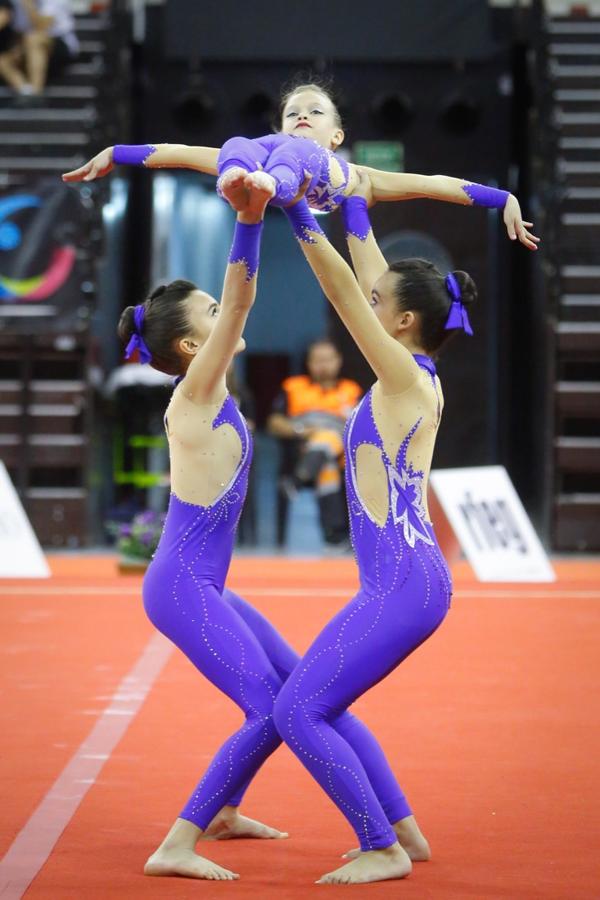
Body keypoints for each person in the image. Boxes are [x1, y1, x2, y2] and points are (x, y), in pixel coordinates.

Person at [245, 177, 473, 884]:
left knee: (297, 710)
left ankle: (383, 846)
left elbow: (349, 295)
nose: (370, 309)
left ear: (402, 323)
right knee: (320, 702)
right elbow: (371, 280)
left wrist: (294, 210)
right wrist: (351, 201)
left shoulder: (403, 377)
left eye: (382, 308)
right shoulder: (411, 367)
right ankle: (405, 831)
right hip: (402, 580)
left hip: (402, 585)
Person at [121, 179, 297, 882]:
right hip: (181, 587)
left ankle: (226, 811)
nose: (228, 315)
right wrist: (250, 221)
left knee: (293, 688)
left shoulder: (210, 389)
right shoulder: (195, 391)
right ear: (193, 345)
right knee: (271, 709)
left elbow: (237, 306)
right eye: (214, 314)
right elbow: (243, 298)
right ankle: (177, 841)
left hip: (205, 583)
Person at [61, 81, 539, 252]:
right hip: (265, 174)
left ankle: (267, 183)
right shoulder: (269, 147)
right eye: (293, 114)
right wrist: (116, 152)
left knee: (290, 155)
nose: (302, 117)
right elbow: (178, 150)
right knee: (233, 145)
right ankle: (242, 182)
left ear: (337, 136)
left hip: (310, 181)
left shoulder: (364, 178)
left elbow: (434, 183)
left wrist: (502, 197)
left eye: (314, 112)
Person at [267, 338, 361, 548]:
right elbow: (274, 423)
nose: (323, 365)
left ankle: (298, 481)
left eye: (328, 359)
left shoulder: (351, 390)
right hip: (301, 449)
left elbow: (360, 427)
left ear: (338, 360)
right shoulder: (293, 387)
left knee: (329, 440)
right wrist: (303, 432)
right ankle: (334, 536)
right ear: (309, 363)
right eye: (318, 360)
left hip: (342, 455)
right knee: (326, 460)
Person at [11, 0, 78, 96]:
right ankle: (24, 90)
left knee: (34, 40)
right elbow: (18, 30)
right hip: (26, 44)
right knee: (4, 59)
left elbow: (41, 26)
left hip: (61, 44)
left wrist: (29, 5)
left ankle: (36, 93)